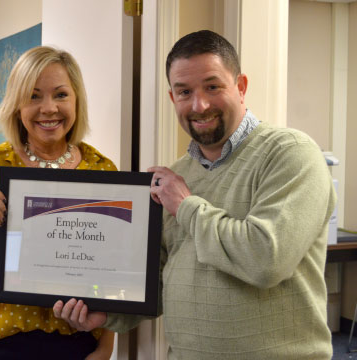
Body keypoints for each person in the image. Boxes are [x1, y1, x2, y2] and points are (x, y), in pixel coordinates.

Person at [53, 30, 337, 359]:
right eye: (184, 91)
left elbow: (266, 260)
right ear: (173, 99)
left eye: (212, 86)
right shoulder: (175, 177)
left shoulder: (291, 154)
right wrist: (108, 315)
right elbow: (157, 285)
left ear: (241, 87)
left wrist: (185, 206)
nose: (199, 104)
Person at [0, 46, 116, 360]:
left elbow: (112, 270)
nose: (48, 108)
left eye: (61, 94)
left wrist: (105, 348)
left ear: (76, 100)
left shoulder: (102, 172)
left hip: (76, 344)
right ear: (16, 105)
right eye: (34, 96)